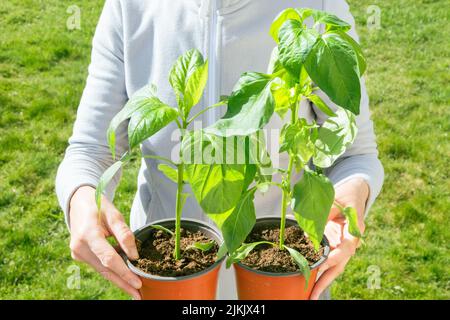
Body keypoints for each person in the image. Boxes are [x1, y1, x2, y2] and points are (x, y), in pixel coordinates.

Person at [56, 0, 384, 300]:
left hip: (285, 271)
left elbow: (355, 153)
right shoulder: (130, 6)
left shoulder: (316, 7)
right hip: (163, 273)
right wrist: (82, 199)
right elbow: (91, 148)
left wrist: (351, 197)